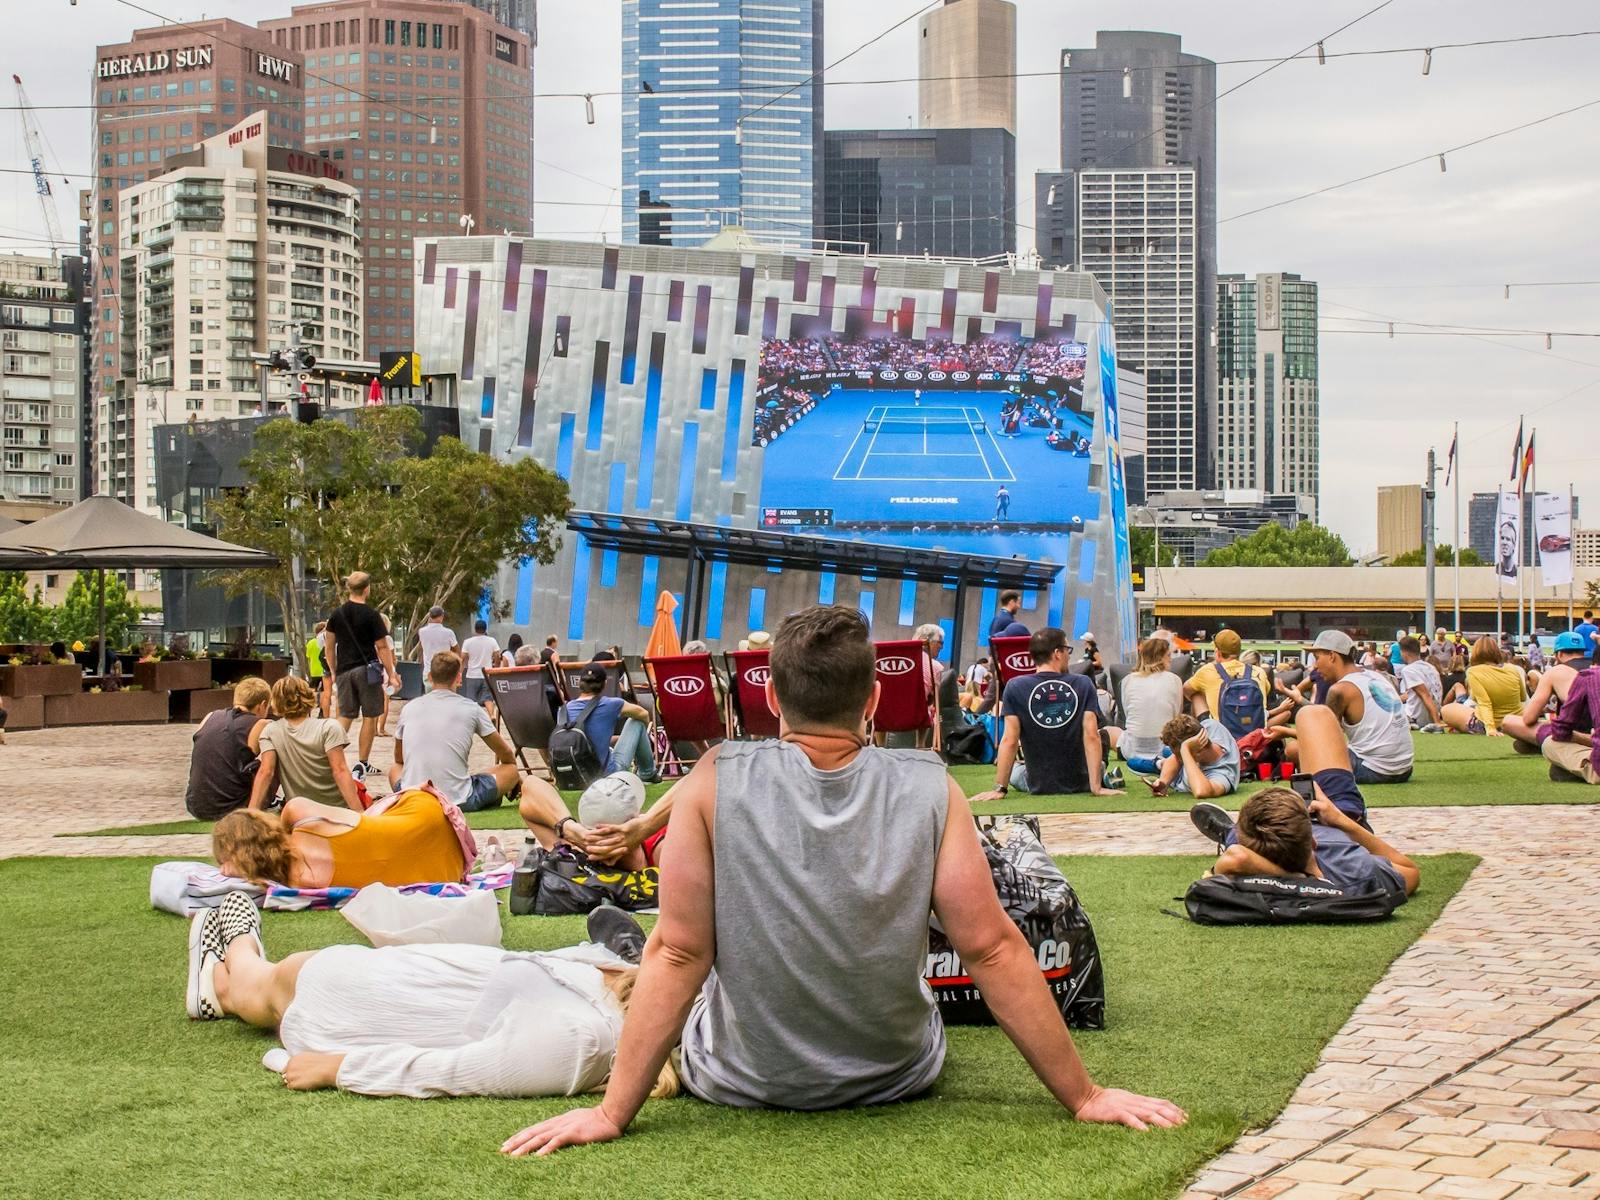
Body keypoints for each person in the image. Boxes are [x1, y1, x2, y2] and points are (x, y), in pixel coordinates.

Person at [503, 605, 1184, 1158]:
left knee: (665, 954)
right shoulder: (931, 787)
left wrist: (612, 1113)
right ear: (875, 697)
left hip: (740, 1079)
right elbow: (991, 949)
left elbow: (682, 952)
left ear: (769, 695)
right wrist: (1086, 1097)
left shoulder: (713, 778)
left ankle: (621, 968)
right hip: (896, 1074)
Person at [183, 892, 669, 1101]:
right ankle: (235, 956)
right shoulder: (618, 989)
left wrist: (339, 1069)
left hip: (367, 1001)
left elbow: (454, 1072)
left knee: (266, 984)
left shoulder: (583, 1041)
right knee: (286, 977)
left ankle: (224, 972)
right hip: (399, 979)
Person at [1187, 712, 1419, 902]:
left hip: (1271, 842)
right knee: (1312, 714)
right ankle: (1233, 829)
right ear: (1313, 843)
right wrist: (1340, 820)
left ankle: (1228, 830)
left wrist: (1291, 876)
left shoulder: (1248, 851)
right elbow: (1410, 871)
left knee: (1248, 830)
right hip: (1340, 820)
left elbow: (1235, 858)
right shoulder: (1356, 868)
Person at [215, 787, 468, 888]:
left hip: (442, 872)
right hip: (429, 819)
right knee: (371, 819)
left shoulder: (300, 884)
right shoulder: (299, 812)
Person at [972, 628, 1116, 800]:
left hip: (1036, 783)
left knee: (1016, 771)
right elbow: (1092, 735)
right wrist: (1096, 788)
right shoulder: (1083, 683)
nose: (1069, 656)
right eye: (1067, 650)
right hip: (1080, 780)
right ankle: (1103, 775)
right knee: (1102, 744)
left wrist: (999, 789)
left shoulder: (1014, 686)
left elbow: (1009, 739)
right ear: (1057, 653)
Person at [388, 650, 522, 812]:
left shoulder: (409, 708)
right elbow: (506, 754)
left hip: (414, 797)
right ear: (459, 678)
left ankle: (406, 796)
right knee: (511, 771)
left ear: (430, 677)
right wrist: (515, 779)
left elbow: (399, 758)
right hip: (459, 799)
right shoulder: (471, 709)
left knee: (394, 768)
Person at [1297, 630, 1414, 783]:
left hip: (1374, 769)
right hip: (1404, 768)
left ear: (1332, 656)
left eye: (1317, 658)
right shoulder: (1375, 676)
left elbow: (1323, 736)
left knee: (1295, 750)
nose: (1315, 666)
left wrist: (1283, 731)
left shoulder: (1340, 689)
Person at [321, 571, 399, 780]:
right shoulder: (372, 616)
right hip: (367, 671)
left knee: (345, 715)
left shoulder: (337, 614)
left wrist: (334, 671)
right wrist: (391, 673)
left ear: (349, 589)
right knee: (370, 716)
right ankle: (362, 763)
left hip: (345, 671)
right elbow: (382, 646)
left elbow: (329, 647)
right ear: (367, 589)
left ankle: (329, 758)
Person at [249, 676, 365, 813]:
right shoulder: (329, 727)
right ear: (309, 696)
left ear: (275, 702)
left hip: (300, 811)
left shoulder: (270, 731)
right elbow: (340, 770)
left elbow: (266, 772)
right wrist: (360, 814)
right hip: (337, 808)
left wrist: (251, 812)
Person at [185, 677, 273, 820]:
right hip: (233, 806)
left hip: (197, 805)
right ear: (262, 705)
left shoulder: (210, 717)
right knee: (271, 757)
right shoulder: (260, 724)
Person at [564, 664, 661, 784]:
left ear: (580, 684)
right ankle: (647, 773)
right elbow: (644, 714)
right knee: (636, 722)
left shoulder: (565, 708)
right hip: (607, 775)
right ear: (605, 684)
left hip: (574, 774)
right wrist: (642, 737)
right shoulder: (611, 704)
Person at [1104, 637, 1183, 774]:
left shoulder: (1127, 681)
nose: (1171, 659)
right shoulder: (1175, 680)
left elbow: (1127, 715)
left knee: (1107, 731)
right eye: (1168, 655)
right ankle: (1160, 762)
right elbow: (1176, 716)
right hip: (1167, 748)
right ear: (1160, 657)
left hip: (1132, 751)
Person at [1503, 630, 1590, 751]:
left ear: (1558, 654)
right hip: (1594, 730)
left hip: (1579, 736)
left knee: (1508, 721)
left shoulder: (1556, 671)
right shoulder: (1596, 668)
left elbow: (1529, 718)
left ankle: (1552, 744)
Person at [1440, 636, 1529, 736]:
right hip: (1516, 721)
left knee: (1446, 710)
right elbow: (1523, 697)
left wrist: (1491, 729)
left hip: (1490, 723)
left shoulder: (1473, 671)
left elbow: (1484, 702)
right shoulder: (1512, 668)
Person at [1181, 630, 1270, 722]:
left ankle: (1200, 729)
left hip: (1221, 734)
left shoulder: (1208, 670)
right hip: (1255, 732)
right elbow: (1265, 693)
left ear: (1217, 653)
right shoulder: (1259, 671)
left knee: (1196, 694)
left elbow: (1186, 689)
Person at [1144, 713, 1239, 799]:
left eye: (1181, 756)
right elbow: (1176, 758)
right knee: (1166, 751)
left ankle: (1158, 764)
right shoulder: (1210, 727)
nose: (1179, 758)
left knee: (1134, 763)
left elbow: (1201, 792)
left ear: (1197, 752)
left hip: (1180, 779)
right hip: (1176, 769)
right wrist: (1163, 783)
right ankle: (1161, 762)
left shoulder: (1223, 774)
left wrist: (1185, 750)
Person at [1540, 660, 1600, 782]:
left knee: (1548, 743)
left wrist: (1578, 737)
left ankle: (1582, 768)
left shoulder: (1588, 676)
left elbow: (1561, 731)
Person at [1394, 637, 1444, 731]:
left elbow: (1425, 695)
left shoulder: (1409, 670)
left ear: (1404, 652)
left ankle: (1410, 722)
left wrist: (1437, 723)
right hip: (1433, 713)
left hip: (1416, 717)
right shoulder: (1431, 668)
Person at [459, 619, 502, 719]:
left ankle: (471, 718)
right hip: (487, 674)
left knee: (471, 699)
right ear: (485, 629)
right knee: (488, 697)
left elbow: (462, 659)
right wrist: (496, 667)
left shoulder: (468, 642)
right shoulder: (492, 641)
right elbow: (497, 655)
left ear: (475, 629)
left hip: (472, 674)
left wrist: (460, 673)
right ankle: (491, 715)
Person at [304, 622, 328, 710]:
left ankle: (310, 705)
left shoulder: (310, 643)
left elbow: (308, 657)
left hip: (314, 670)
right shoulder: (325, 642)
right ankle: (322, 709)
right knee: (323, 691)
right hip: (324, 669)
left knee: (312, 689)